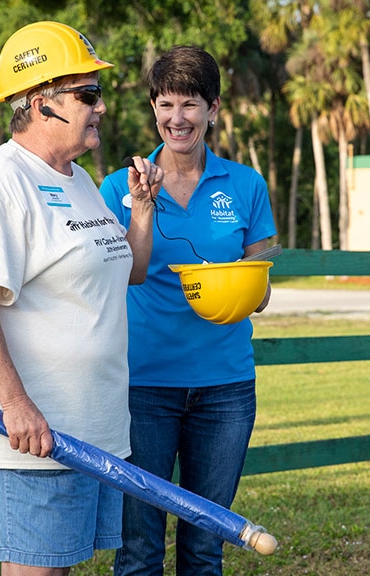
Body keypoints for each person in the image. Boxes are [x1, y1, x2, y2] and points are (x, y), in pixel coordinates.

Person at [0, 21, 163, 576]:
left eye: (100, 95)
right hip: (30, 438)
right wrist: (14, 404)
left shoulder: (81, 180)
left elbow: (131, 273)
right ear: (40, 104)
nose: (101, 108)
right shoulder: (1, 181)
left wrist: (141, 210)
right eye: (88, 95)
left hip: (90, 432)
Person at [99, 45, 277, 576]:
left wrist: (239, 288)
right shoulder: (118, 187)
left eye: (190, 104)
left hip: (225, 388)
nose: (177, 119)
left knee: (205, 545)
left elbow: (263, 283)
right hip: (144, 387)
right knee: (139, 549)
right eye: (166, 104)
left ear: (213, 109)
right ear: (154, 108)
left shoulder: (246, 185)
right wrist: (144, 207)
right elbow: (125, 271)